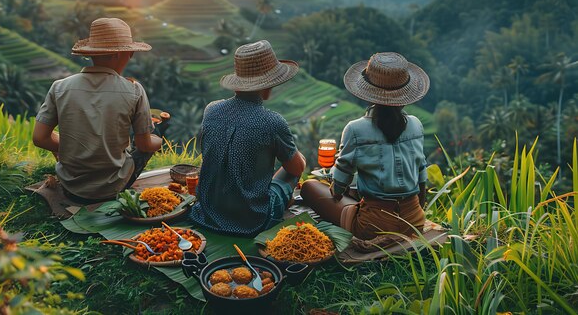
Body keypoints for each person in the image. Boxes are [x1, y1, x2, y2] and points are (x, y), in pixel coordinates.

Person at [32, 18, 164, 203]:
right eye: (130, 52)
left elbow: (40, 138)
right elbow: (143, 146)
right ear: (118, 54)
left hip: (72, 187)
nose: (131, 56)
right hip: (113, 187)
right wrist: (159, 141)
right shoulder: (134, 90)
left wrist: (75, 148)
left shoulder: (60, 87)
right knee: (153, 137)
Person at [301, 52, 430, 241]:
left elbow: (337, 191)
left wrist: (340, 188)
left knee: (310, 187)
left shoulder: (355, 129)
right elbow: (421, 179)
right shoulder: (416, 124)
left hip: (375, 226)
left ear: (368, 92)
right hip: (415, 222)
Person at [190, 40, 307, 237]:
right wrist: (300, 157)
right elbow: (296, 169)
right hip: (254, 220)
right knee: (296, 166)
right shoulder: (272, 122)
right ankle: (283, 202)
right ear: (269, 83)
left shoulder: (211, 110)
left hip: (207, 213)